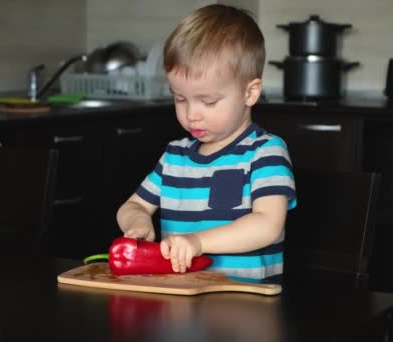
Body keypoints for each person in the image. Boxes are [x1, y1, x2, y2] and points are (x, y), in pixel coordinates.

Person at [116, 4, 296, 283]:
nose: (191, 114)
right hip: (180, 299)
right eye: (180, 98)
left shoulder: (265, 153)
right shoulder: (175, 156)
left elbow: (267, 225)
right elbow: (132, 206)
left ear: (250, 93)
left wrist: (198, 242)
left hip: (246, 306)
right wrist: (136, 223)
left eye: (208, 101)